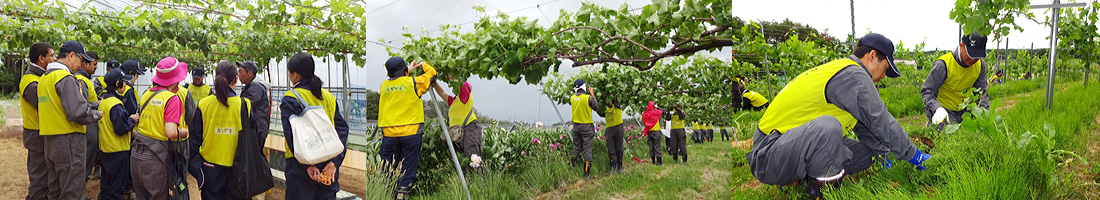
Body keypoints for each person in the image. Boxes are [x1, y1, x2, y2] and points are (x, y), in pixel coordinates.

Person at [745, 33, 931, 199]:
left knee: (870, 154)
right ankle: (823, 194)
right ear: (872, 55)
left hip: (788, 145)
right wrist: (914, 155)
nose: (884, 76)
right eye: (885, 68)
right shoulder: (853, 75)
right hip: (766, 153)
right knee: (827, 128)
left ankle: (801, 178)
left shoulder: (844, 72)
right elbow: (880, 120)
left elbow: (867, 126)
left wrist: (883, 157)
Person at [38, 40, 103, 200]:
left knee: (55, 189)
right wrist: (97, 114)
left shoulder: (44, 78)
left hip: (50, 141)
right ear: (71, 56)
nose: (81, 65)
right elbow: (78, 112)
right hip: (69, 141)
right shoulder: (65, 78)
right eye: (81, 60)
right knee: (72, 190)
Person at [282, 53, 350, 199]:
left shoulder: (291, 97)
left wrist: (307, 166)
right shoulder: (328, 96)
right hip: (328, 166)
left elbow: (291, 136)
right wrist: (334, 163)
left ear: (295, 75)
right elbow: (342, 129)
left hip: (300, 167)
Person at [190, 61, 254, 200]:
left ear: (215, 78)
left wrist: (198, 169)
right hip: (238, 170)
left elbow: (194, 140)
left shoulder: (204, 104)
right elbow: (254, 138)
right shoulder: (245, 105)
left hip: (210, 170)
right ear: (236, 79)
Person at [132, 57, 190, 199]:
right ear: (174, 80)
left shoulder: (147, 94)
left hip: (137, 156)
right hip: (157, 159)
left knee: (142, 195)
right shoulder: (171, 99)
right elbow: (170, 132)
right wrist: (183, 132)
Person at [378, 57, 432, 199]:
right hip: (411, 132)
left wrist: (408, 69)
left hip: (389, 135)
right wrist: (423, 65)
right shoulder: (414, 83)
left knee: (388, 166)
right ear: (404, 70)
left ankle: (385, 192)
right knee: (408, 166)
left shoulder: (384, 86)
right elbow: (432, 74)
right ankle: (402, 194)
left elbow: (398, 82)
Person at [922, 33, 990, 126]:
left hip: (964, 110)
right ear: (961, 46)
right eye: (971, 55)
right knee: (947, 135)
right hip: (944, 110)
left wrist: (985, 118)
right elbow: (927, 91)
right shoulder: (943, 64)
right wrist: (937, 108)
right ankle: (929, 125)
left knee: (973, 133)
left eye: (977, 56)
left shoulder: (980, 65)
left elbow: (982, 94)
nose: (973, 60)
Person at [97, 68, 137, 200]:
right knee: (116, 187)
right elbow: (121, 128)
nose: (125, 85)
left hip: (106, 148)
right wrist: (132, 120)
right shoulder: (115, 104)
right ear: (117, 84)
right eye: (123, 82)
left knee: (107, 183)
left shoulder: (104, 101)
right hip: (117, 150)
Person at [20, 42, 53, 200]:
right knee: (39, 176)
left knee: (45, 173)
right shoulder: (31, 82)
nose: (54, 59)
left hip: (41, 131)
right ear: (41, 58)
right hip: (36, 133)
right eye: (51, 55)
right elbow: (44, 104)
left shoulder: (40, 78)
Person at [431, 82, 485, 171]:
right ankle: (467, 181)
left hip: (469, 129)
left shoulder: (464, 96)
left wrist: (449, 69)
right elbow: (442, 93)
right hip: (458, 133)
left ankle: (479, 181)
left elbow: (458, 81)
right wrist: (434, 82)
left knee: (472, 159)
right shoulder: (454, 101)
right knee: (461, 160)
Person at [76, 50, 101, 181]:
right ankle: (80, 184)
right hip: (88, 122)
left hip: (90, 121)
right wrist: (97, 104)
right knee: (87, 154)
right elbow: (82, 106)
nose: (96, 67)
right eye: (94, 64)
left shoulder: (85, 79)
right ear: (85, 64)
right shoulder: (81, 81)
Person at [568, 79, 599, 179]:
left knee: (576, 148)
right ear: (583, 87)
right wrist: (592, 94)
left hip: (576, 126)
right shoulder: (588, 98)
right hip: (586, 127)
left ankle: (571, 168)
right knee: (587, 149)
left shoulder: (572, 98)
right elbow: (596, 106)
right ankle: (586, 174)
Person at [237, 61, 271, 142]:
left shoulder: (256, 88)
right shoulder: (251, 86)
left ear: (250, 73)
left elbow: (245, 105)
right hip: (256, 129)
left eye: (240, 72)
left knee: (253, 154)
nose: (238, 75)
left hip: (256, 130)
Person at [602, 101, 624, 173]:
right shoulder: (604, 108)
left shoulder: (617, 105)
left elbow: (617, 98)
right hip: (609, 129)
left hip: (618, 127)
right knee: (611, 148)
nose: (609, 102)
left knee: (619, 148)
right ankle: (613, 166)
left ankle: (620, 166)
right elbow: (599, 111)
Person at [642, 101, 663, 166]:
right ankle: (659, 162)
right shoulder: (656, 112)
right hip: (656, 131)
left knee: (651, 147)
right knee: (657, 146)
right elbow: (663, 110)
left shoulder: (645, 113)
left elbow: (644, 120)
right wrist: (657, 107)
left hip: (649, 132)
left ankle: (653, 161)